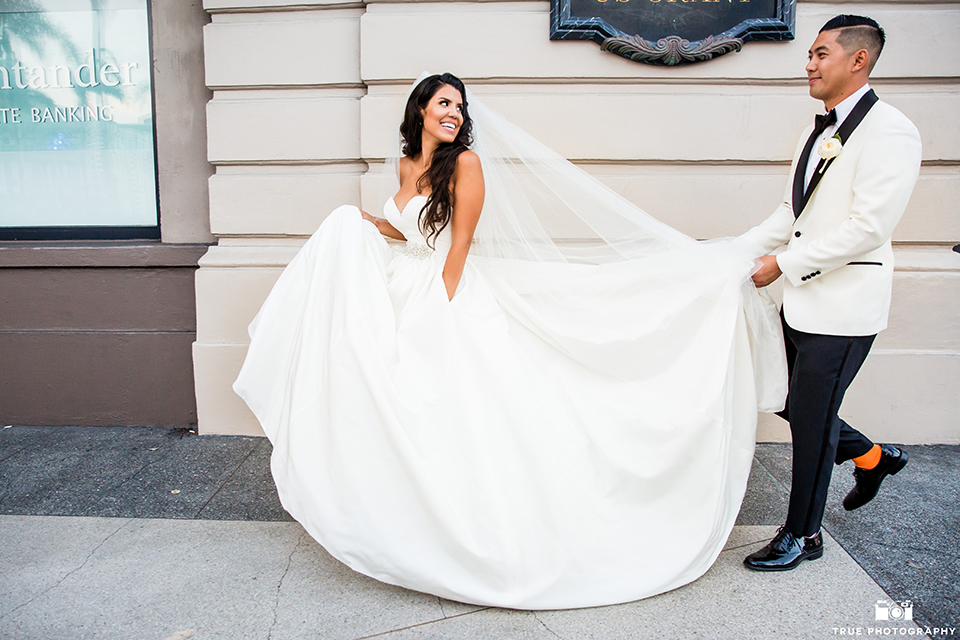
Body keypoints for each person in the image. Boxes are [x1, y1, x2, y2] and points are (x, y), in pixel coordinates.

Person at [234, 73, 787, 609]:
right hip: (409, 280)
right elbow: (410, 232)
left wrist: (440, 311)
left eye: (459, 106)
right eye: (443, 104)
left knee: (466, 404)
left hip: (447, 290)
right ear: (420, 110)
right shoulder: (406, 163)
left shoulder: (466, 164)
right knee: (401, 402)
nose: (453, 113)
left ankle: (486, 528)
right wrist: (364, 223)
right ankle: (410, 515)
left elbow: (460, 244)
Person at [739, 15, 922, 571]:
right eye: (811, 55)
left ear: (857, 60)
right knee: (794, 404)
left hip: (844, 307)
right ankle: (872, 457)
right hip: (800, 298)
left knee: (813, 418)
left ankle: (803, 535)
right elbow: (794, 212)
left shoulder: (892, 130)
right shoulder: (815, 130)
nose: (809, 64)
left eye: (820, 54)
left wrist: (784, 265)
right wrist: (735, 252)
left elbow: (868, 227)